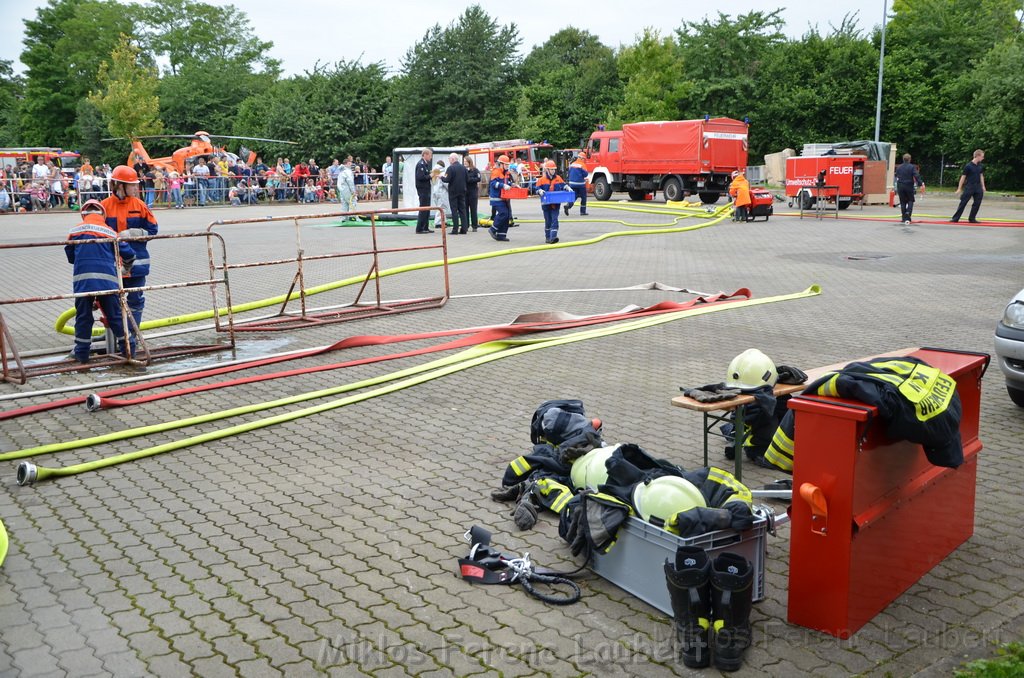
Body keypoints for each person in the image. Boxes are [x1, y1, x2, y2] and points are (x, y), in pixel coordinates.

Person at [65, 200, 135, 363]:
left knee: (83, 317)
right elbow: (129, 254)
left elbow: (70, 256)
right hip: (107, 283)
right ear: (102, 214)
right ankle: (129, 352)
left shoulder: (74, 231)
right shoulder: (110, 232)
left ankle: (82, 355)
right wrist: (125, 268)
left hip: (83, 283)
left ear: (83, 214)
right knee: (116, 317)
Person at [100, 165, 158, 346]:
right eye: (131, 185)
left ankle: (131, 335)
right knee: (112, 303)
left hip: (136, 266)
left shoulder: (139, 205)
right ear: (119, 185)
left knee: (135, 301)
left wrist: (132, 233)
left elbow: (153, 230)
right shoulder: (104, 207)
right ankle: (117, 335)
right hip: (112, 265)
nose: (135, 188)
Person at [535, 159, 568, 243]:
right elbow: (536, 189)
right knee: (548, 220)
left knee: (554, 219)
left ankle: (553, 237)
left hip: (556, 203)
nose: (553, 171)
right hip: (546, 204)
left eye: (554, 169)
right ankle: (548, 237)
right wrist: (539, 191)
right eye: (552, 169)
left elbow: (563, 185)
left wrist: (567, 187)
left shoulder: (558, 178)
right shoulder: (541, 180)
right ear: (547, 170)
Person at [950, 149, 985, 223]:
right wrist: (959, 188)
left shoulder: (980, 166)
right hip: (969, 187)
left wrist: (983, 186)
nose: (983, 158)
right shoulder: (968, 166)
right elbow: (963, 177)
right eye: (982, 156)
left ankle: (972, 218)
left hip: (978, 187)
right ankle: (955, 218)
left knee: (977, 203)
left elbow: (981, 176)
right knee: (963, 202)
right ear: (977, 156)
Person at [441, 152, 469, 235]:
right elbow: (467, 179)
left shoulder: (450, 168)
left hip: (453, 191)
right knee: (462, 210)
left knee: (454, 210)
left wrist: (441, 177)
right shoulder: (463, 168)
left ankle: (455, 229)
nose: (449, 160)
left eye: (449, 159)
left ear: (453, 159)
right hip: (462, 191)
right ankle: (464, 229)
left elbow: (446, 179)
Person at [893, 153, 925, 225]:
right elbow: (916, 175)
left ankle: (903, 218)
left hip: (900, 186)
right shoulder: (912, 167)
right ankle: (908, 214)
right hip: (908, 186)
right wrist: (920, 184)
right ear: (909, 159)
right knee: (910, 200)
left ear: (903, 159)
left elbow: (896, 176)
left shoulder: (899, 167)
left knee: (902, 202)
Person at [487, 154, 512, 242]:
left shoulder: (506, 173)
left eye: (507, 165)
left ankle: (502, 235)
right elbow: (493, 184)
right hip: (496, 198)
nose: (507, 166)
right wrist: (503, 185)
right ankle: (493, 229)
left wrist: (513, 185)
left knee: (507, 215)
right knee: (503, 213)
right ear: (501, 164)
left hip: (504, 198)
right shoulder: (496, 172)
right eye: (506, 164)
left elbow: (508, 182)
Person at [414, 148, 434, 233]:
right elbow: (420, 177)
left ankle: (425, 227)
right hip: (423, 189)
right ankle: (419, 228)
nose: (431, 157)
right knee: (423, 208)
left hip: (426, 189)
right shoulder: (421, 164)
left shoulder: (425, 164)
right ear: (425, 155)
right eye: (430, 155)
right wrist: (430, 176)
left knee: (427, 208)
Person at [465, 156, 481, 231]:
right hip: (465, 192)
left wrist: (470, 180)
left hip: (473, 192)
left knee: (473, 209)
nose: (464, 163)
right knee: (465, 210)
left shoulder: (475, 170)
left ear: (469, 162)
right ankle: (466, 225)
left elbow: (478, 178)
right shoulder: (463, 170)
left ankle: (474, 226)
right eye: (464, 162)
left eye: (466, 162)